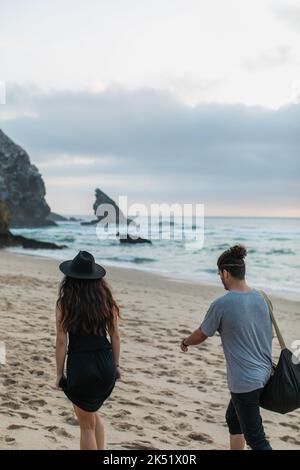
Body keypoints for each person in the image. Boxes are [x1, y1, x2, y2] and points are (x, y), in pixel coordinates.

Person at [180, 245, 273, 450]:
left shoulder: (222, 303)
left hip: (245, 381)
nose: (220, 278)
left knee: (257, 440)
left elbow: (202, 334)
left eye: (219, 274)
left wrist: (185, 342)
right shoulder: (263, 297)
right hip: (266, 375)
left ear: (225, 273)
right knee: (233, 418)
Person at [55, 250, 121, 450]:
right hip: (105, 364)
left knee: (86, 426)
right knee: (92, 414)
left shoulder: (65, 303)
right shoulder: (106, 302)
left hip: (81, 366)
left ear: (70, 277)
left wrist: (59, 373)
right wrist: (116, 366)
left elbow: (61, 341)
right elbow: (116, 336)